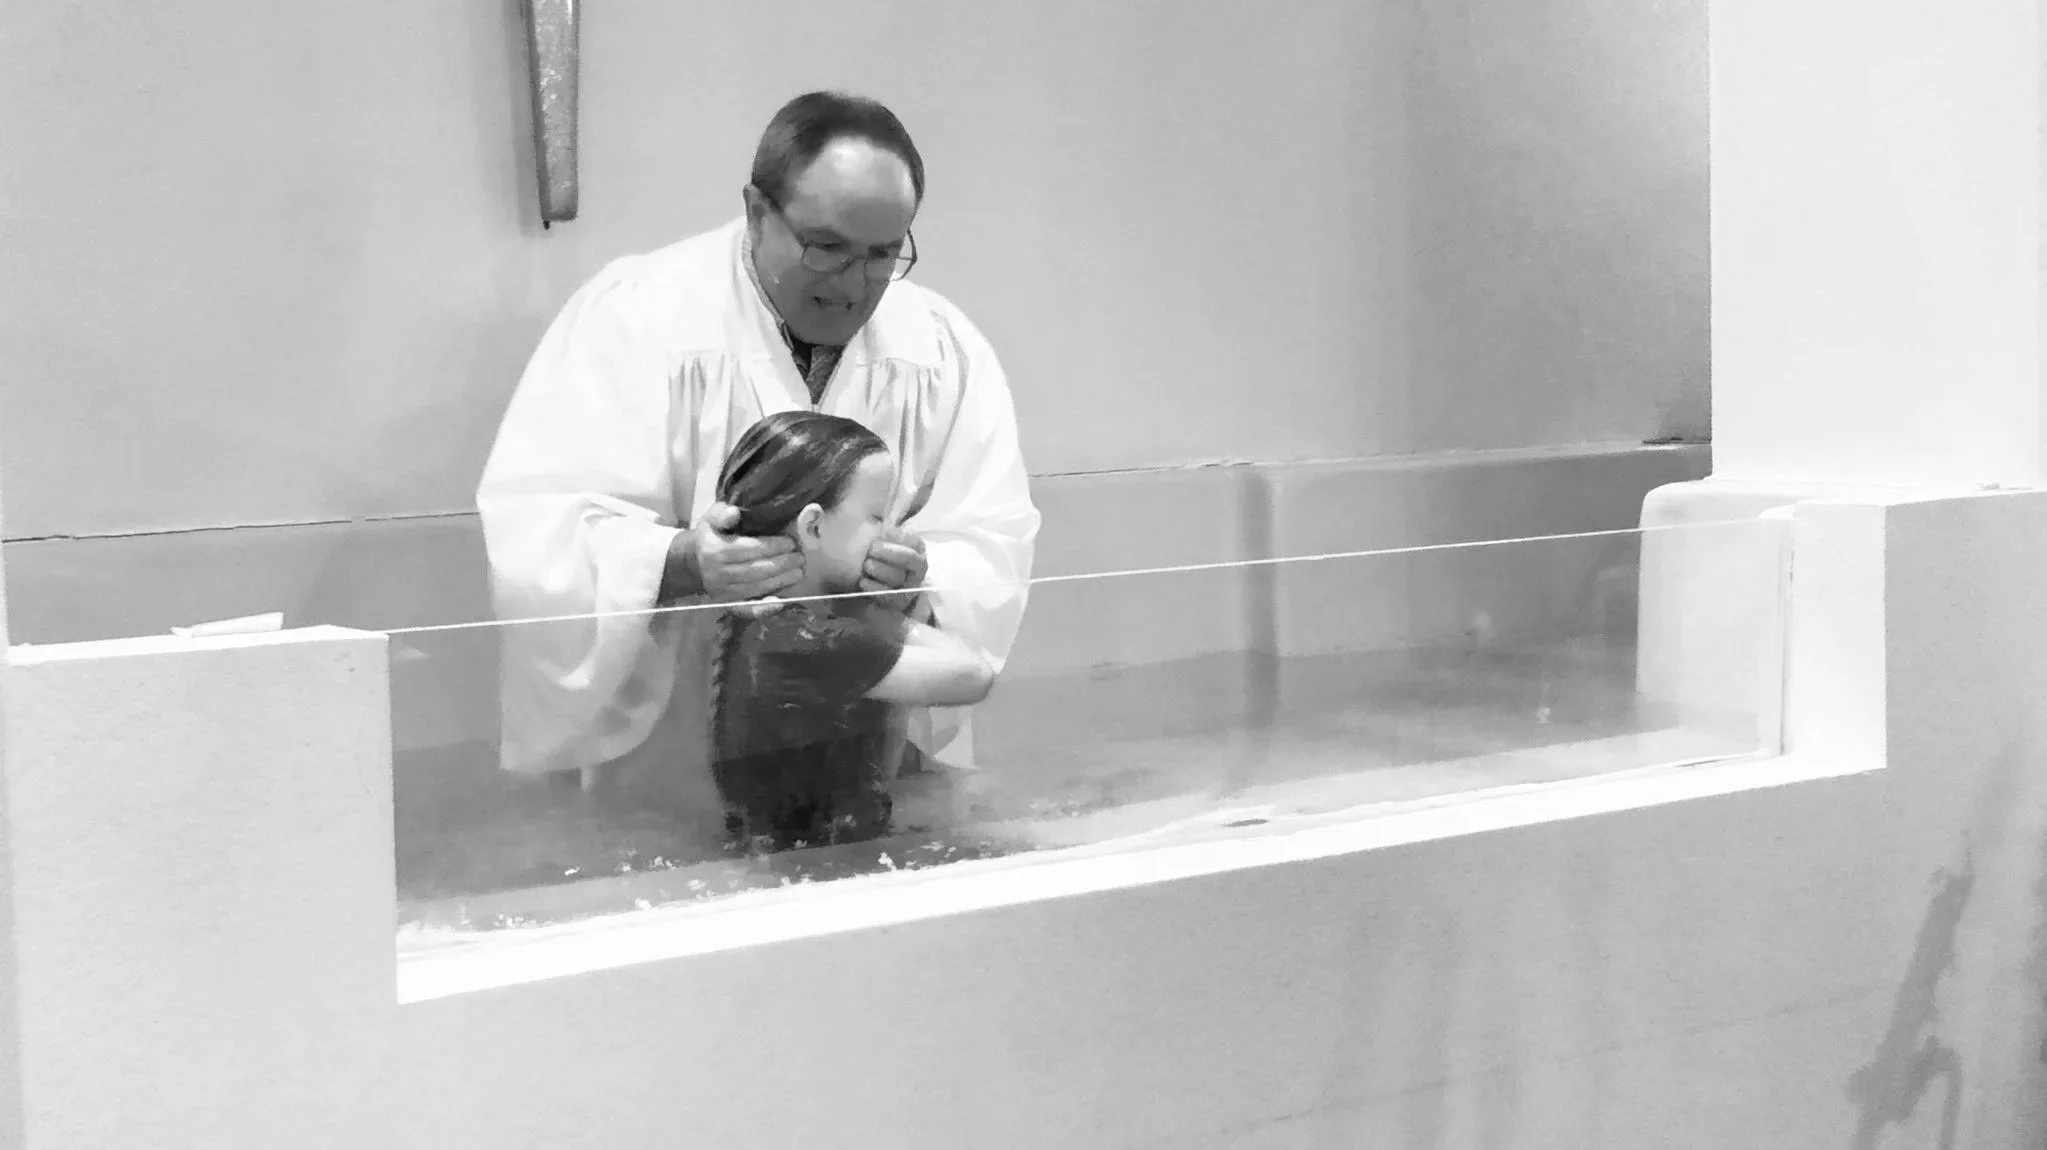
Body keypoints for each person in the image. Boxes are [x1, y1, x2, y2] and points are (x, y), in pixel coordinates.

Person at [475, 91, 1038, 824]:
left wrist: (916, 568)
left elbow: (991, 536)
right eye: (826, 247)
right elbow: (539, 528)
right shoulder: (637, 317)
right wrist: (682, 560)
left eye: (881, 254)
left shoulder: (939, 345)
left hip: (866, 764)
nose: (853, 285)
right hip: (672, 763)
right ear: (755, 209)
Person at [707, 411, 995, 852]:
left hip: (777, 852)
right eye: (875, 517)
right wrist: (883, 610)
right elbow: (973, 674)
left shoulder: (758, 624)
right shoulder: (815, 641)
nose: (888, 534)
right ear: (814, 527)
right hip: (827, 863)